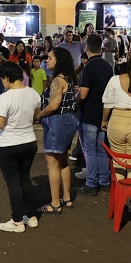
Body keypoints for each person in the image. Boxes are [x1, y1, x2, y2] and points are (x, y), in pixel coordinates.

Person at [0, 61, 41, 233]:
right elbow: (36, 116)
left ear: (7, 78)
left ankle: (17, 220)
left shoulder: (5, 97)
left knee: (13, 182)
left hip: (8, 145)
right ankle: (31, 216)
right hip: (29, 142)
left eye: (2, 79)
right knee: (25, 178)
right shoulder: (33, 93)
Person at [34, 46, 79, 214]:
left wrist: (40, 114)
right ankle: (66, 198)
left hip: (57, 122)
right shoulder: (69, 78)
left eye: (50, 58)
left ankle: (55, 203)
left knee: (52, 163)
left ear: (58, 61)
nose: (47, 60)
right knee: (63, 161)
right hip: (69, 120)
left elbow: (54, 105)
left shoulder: (57, 81)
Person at [77, 33, 114, 197]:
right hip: (103, 114)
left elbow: (83, 94)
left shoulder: (89, 67)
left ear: (87, 48)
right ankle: (104, 181)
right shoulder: (107, 67)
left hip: (89, 115)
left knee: (90, 150)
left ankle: (92, 182)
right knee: (101, 150)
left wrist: (76, 97)